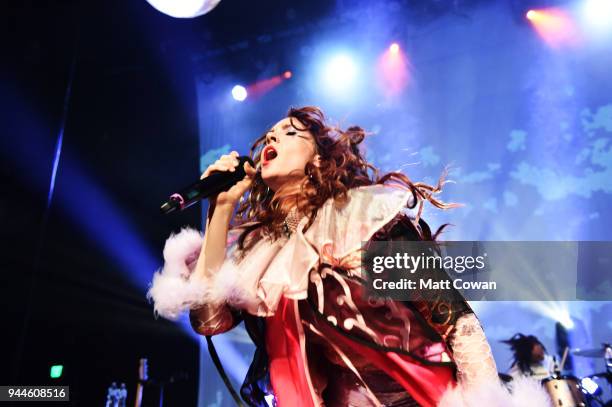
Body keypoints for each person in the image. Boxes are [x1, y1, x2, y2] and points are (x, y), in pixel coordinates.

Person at [147, 106, 507, 406]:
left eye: (290, 133)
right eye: (270, 134)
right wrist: (220, 208)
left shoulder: (364, 217)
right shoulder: (261, 249)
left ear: (319, 158)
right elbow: (209, 322)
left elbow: (454, 320)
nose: (272, 138)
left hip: (415, 397)